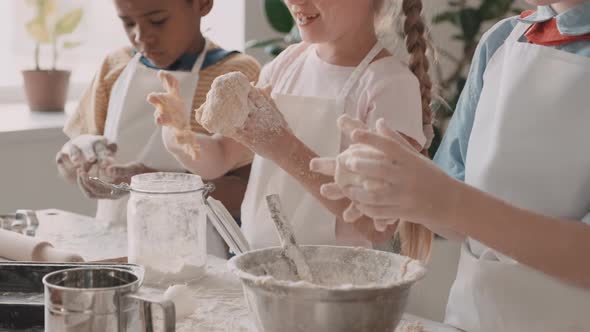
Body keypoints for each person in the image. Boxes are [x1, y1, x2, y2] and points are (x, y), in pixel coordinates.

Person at [313, 1, 590, 330]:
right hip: (473, 317)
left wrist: (447, 200)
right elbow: (455, 220)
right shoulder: (504, 40)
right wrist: (405, 185)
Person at [155, 0, 434, 258]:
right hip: (258, 265)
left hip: (337, 282)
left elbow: (376, 225)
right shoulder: (286, 65)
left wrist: (283, 147)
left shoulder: (389, 86)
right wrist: (177, 134)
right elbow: (218, 158)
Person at [55, 0, 260, 256]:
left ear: (202, 5)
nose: (141, 37)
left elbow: (246, 192)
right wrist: (80, 164)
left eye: (157, 21)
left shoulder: (234, 74)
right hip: (114, 248)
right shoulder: (115, 65)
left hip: (196, 254)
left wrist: (146, 183)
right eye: (128, 23)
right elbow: (74, 160)